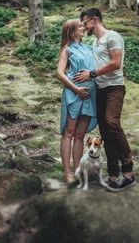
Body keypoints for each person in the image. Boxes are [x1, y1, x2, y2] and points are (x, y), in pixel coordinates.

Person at [73, 8, 136, 192]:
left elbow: (116, 63)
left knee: (112, 122)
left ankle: (128, 169)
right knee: (105, 132)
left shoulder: (112, 36)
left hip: (114, 88)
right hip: (100, 90)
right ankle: (114, 175)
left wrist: (92, 74)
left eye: (85, 23)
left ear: (94, 20)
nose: (84, 26)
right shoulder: (94, 43)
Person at [56, 19, 98, 184]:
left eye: (82, 26)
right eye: (79, 26)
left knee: (80, 134)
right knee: (69, 132)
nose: (83, 28)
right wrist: (76, 90)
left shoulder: (89, 49)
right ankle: (66, 172)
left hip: (89, 96)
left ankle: (77, 171)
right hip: (74, 95)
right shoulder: (67, 50)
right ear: (71, 30)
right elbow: (60, 73)